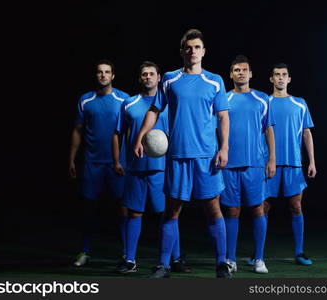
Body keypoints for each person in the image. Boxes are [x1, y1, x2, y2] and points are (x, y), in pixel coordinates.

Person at [133, 29, 231, 278]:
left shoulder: (215, 80)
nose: (193, 51)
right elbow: (155, 110)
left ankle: (221, 263)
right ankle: (163, 265)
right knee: (171, 211)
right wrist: (140, 136)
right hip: (177, 156)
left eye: (197, 47)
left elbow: (222, 116)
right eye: (188, 47)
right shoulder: (169, 79)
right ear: (181, 51)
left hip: (206, 156)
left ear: (204, 51)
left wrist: (224, 147)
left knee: (213, 209)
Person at [113, 61, 191, 274]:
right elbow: (118, 133)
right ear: (140, 79)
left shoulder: (170, 103)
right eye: (144, 74)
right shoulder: (129, 103)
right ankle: (129, 260)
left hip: (162, 169)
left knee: (168, 215)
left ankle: (174, 259)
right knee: (134, 214)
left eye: (152, 74)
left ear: (159, 78)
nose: (148, 77)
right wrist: (118, 160)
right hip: (136, 168)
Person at [69, 59, 130, 266]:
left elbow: (131, 130)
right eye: (99, 72)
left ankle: (126, 253)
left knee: (123, 207)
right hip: (91, 163)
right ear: (95, 75)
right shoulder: (85, 100)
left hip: (117, 164)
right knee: (89, 208)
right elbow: (77, 131)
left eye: (107, 72)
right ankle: (84, 251)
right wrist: (71, 159)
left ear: (113, 76)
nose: (103, 75)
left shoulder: (124, 99)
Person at [220, 55, 276, 274]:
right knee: (232, 211)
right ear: (231, 74)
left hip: (255, 164)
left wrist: (272, 158)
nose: (240, 73)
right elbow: (216, 130)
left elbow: (269, 129)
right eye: (236, 70)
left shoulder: (262, 99)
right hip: (229, 164)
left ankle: (259, 259)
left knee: (257, 209)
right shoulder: (223, 100)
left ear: (251, 74)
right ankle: (231, 259)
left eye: (244, 70)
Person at [261, 63, 317, 265]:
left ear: (289, 79)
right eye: (277, 75)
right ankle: (258, 254)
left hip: (293, 164)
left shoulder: (300, 103)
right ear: (271, 79)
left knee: (295, 206)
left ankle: (299, 252)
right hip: (269, 164)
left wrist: (311, 161)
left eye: (284, 75)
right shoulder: (264, 102)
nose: (281, 78)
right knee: (263, 208)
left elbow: (306, 133)